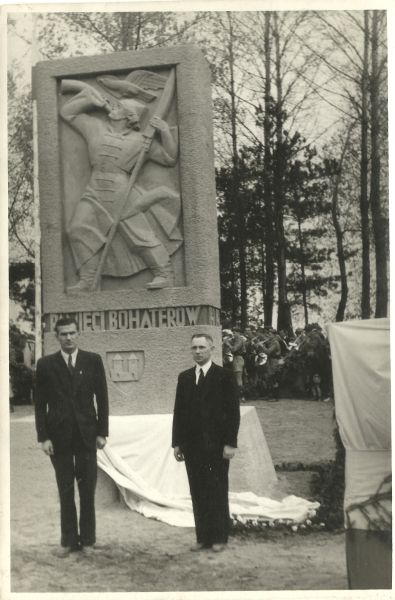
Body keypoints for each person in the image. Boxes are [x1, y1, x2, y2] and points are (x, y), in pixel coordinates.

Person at [60, 77, 181, 291]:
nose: (113, 108)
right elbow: (67, 113)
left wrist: (164, 132)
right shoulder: (94, 127)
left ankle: (165, 274)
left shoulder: (141, 141)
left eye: (118, 107)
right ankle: (88, 280)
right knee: (76, 229)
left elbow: (169, 159)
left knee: (139, 236)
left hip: (122, 191)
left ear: (127, 117)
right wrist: (90, 100)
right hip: (94, 189)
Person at [34, 317, 109, 558]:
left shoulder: (93, 360)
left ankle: (88, 540)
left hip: (87, 435)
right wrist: (43, 437)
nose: (68, 337)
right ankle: (68, 541)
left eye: (72, 333)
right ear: (57, 336)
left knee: (87, 490)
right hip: (59, 437)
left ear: (79, 334)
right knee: (65, 490)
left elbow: (103, 399)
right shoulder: (46, 364)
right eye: (63, 334)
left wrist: (102, 432)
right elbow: (39, 405)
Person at [172, 333, 240, 552]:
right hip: (192, 446)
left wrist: (230, 443)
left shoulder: (224, 376)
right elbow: (178, 413)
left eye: (202, 347)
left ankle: (219, 537)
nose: (198, 351)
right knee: (198, 490)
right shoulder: (184, 378)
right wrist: (177, 443)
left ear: (211, 349)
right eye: (194, 348)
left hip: (217, 446)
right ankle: (203, 537)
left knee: (217, 490)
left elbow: (233, 413)